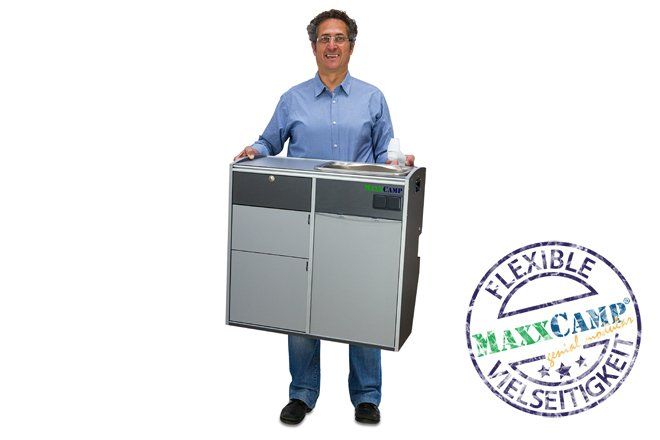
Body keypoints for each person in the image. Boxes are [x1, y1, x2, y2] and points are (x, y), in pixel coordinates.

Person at [234, 9, 413, 425]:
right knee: (303, 301)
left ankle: (366, 396)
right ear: (313, 46)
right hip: (306, 218)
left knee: (363, 300)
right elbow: (269, 141)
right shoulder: (292, 99)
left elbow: (386, 151)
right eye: (324, 39)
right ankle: (302, 392)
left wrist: (398, 161)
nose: (332, 46)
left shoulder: (372, 98)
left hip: (359, 219)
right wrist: (255, 151)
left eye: (340, 38)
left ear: (352, 45)